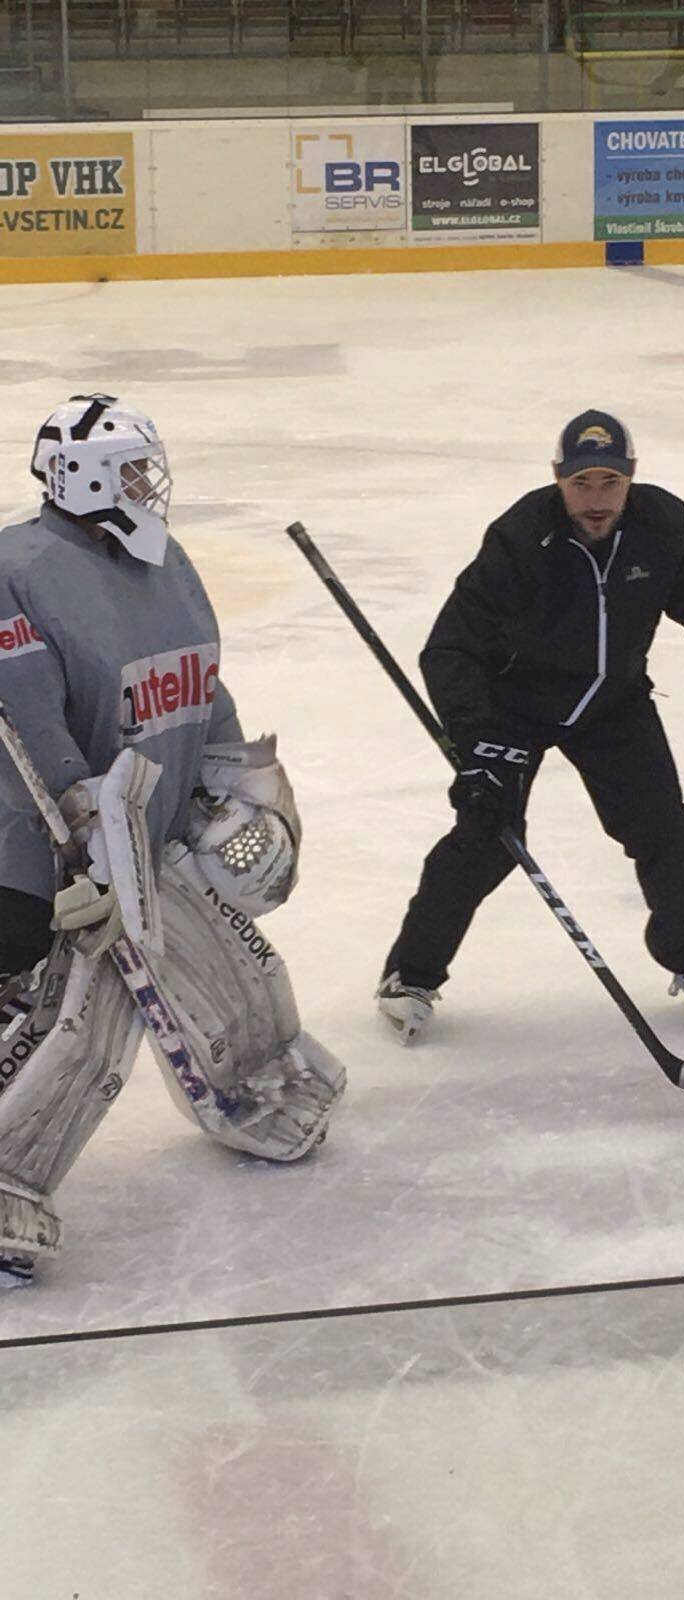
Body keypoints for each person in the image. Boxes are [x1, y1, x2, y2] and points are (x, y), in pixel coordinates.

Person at [0, 393, 345, 1287]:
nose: (151, 488)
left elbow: (201, 685)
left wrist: (234, 783)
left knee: (238, 971)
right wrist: (82, 836)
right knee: (78, 1032)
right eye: (133, 471)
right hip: (39, 855)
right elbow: (31, 718)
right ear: (81, 477)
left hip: (140, 842)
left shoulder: (164, 563)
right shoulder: (17, 567)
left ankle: (256, 1085)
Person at [376, 409, 684, 1045]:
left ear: (631, 479)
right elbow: (451, 648)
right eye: (582, 483)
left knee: (665, 830)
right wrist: (477, 743)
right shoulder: (521, 537)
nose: (596, 500)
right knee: (487, 835)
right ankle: (410, 974)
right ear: (559, 480)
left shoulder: (662, 525)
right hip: (515, 704)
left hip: (611, 700)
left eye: (610, 483)